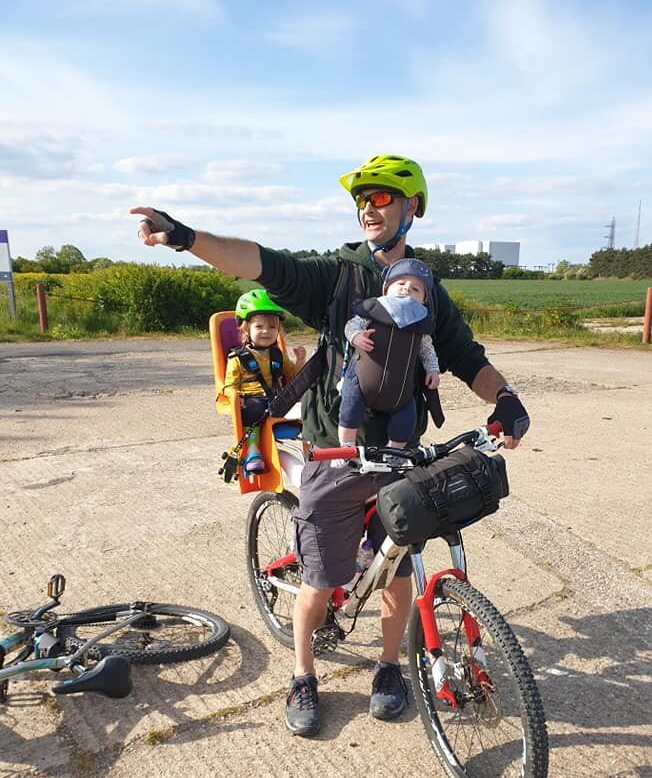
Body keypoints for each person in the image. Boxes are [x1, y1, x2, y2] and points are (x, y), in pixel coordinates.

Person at [130, 152, 530, 738]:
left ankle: (390, 668)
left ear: (412, 207)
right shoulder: (337, 276)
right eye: (362, 199)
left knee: (397, 568)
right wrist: (188, 237)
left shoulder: (428, 289)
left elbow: (466, 358)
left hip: (400, 454)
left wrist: (506, 398)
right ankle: (302, 674)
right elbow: (262, 263)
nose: (370, 207)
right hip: (332, 451)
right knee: (320, 579)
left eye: (383, 197)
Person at [339, 256, 440, 457]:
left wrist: (433, 369)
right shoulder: (372, 309)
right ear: (386, 289)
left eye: (416, 289)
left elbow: (427, 350)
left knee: (406, 418)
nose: (406, 289)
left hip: (400, 389)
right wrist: (356, 337)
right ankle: (346, 445)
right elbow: (351, 325)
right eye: (401, 284)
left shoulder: (420, 323)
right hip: (361, 380)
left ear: (423, 300)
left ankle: (394, 452)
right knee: (350, 408)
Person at [226, 288, 306, 474]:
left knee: (308, 405)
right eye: (259, 326)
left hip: (278, 399)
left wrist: (300, 360)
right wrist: (236, 397)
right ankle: (253, 451)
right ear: (246, 329)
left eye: (272, 327)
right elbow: (229, 385)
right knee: (253, 408)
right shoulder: (237, 358)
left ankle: (315, 451)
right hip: (252, 400)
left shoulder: (278, 355)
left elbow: (293, 376)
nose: (266, 331)